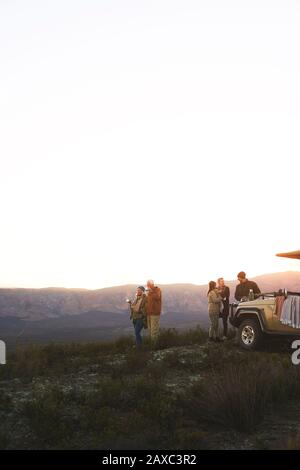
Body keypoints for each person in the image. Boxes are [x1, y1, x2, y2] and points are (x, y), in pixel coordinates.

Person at [146, 280, 162, 345]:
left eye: (149, 284)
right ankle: (151, 344)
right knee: (150, 330)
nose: (148, 285)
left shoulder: (157, 290)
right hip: (149, 313)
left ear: (152, 284)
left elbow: (157, 297)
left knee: (154, 330)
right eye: (147, 284)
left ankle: (154, 346)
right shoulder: (148, 292)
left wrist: (151, 291)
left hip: (155, 313)